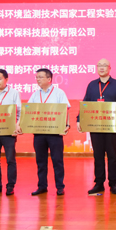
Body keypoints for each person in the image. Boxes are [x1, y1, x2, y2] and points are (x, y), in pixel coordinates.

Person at [77, 58, 116, 195]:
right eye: (99, 65)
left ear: (109, 68)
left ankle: (113, 184)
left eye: (104, 65)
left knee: (112, 155)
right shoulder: (92, 85)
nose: (101, 68)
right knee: (98, 155)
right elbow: (85, 103)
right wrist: (79, 119)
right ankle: (99, 183)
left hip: (112, 126)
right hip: (95, 126)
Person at [26, 68, 70, 196]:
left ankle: (60, 186)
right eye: (37, 77)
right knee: (41, 161)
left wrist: (67, 125)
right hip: (39, 133)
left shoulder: (59, 93)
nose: (37, 79)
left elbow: (65, 110)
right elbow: (28, 110)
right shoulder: (35, 94)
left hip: (55, 133)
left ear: (49, 79)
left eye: (40, 77)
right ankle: (42, 186)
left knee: (57, 161)